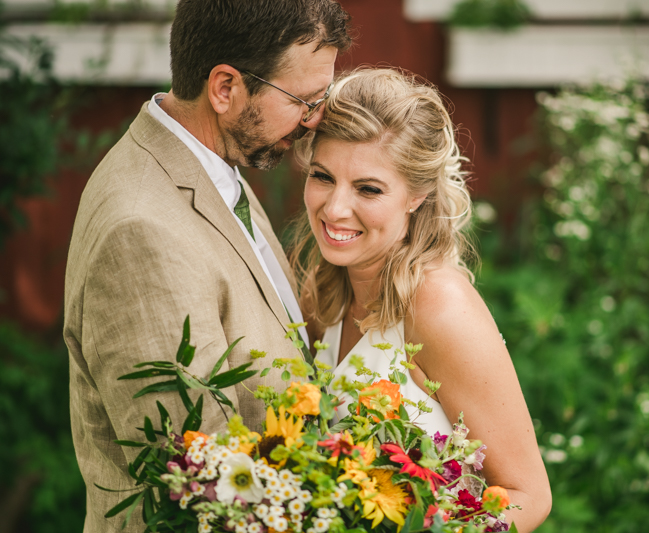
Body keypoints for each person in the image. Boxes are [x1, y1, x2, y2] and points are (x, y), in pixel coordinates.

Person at [63, 1, 351, 531]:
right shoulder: (142, 231)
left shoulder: (214, 170)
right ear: (224, 88)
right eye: (303, 101)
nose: (314, 121)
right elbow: (200, 484)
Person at [290, 68, 552, 532]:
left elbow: (528, 496)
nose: (334, 209)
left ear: (417, 194)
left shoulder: (438, 305)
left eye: (368, 188)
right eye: (323, 176)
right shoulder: (322, 290)